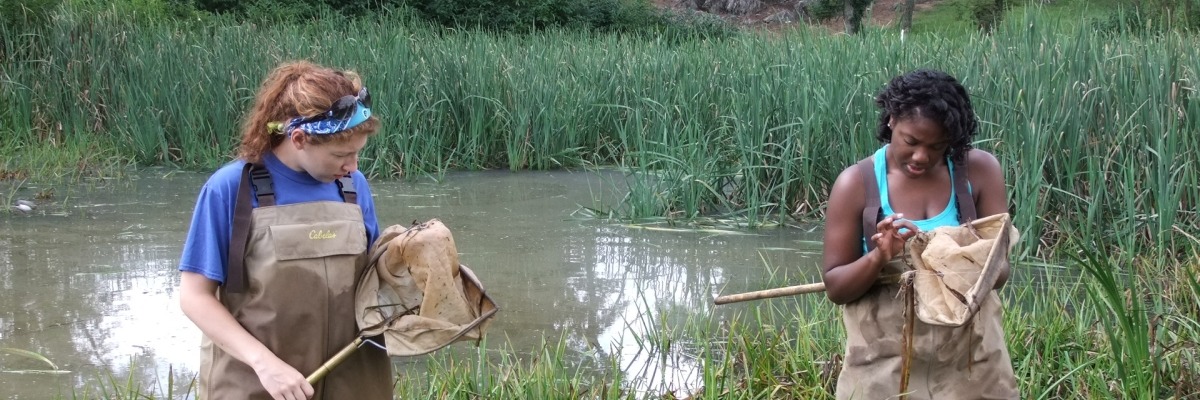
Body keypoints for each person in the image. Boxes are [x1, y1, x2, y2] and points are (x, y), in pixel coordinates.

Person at [178, 60, 393, 400]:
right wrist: (265, 364)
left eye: (357, 154)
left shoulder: (354, 187)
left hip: (354, 379)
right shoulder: (232, 188)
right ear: (299, 138)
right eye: (342, 154)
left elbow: (373, 281)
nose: (352, 166)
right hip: (257, 383)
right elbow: (194, 297)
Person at [820, 69, 1017, 399]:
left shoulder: (980, 172)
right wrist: (879, 256)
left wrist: (951, 255)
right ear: (892, 120)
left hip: (971, 361)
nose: (921, 156)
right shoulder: (855, 184)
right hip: (884, 364)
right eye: (911, 141)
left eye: (937, 146)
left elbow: (1001, 274)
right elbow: (837, 288)